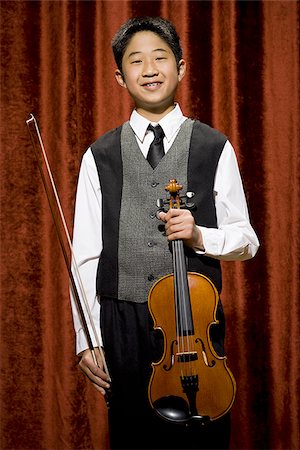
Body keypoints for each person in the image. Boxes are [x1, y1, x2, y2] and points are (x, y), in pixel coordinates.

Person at [70, 16, 259, 450]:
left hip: (192, 320)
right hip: (122, 320)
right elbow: (85, 257)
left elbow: (247, 240)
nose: (150, 69)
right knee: (132, 436)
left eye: (160, 58)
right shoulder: (98, 155)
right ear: (120, 77)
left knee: (202, 436)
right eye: (136, 61)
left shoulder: (215, 146)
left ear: (182, 67)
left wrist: (201, 237)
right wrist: (87, 340)